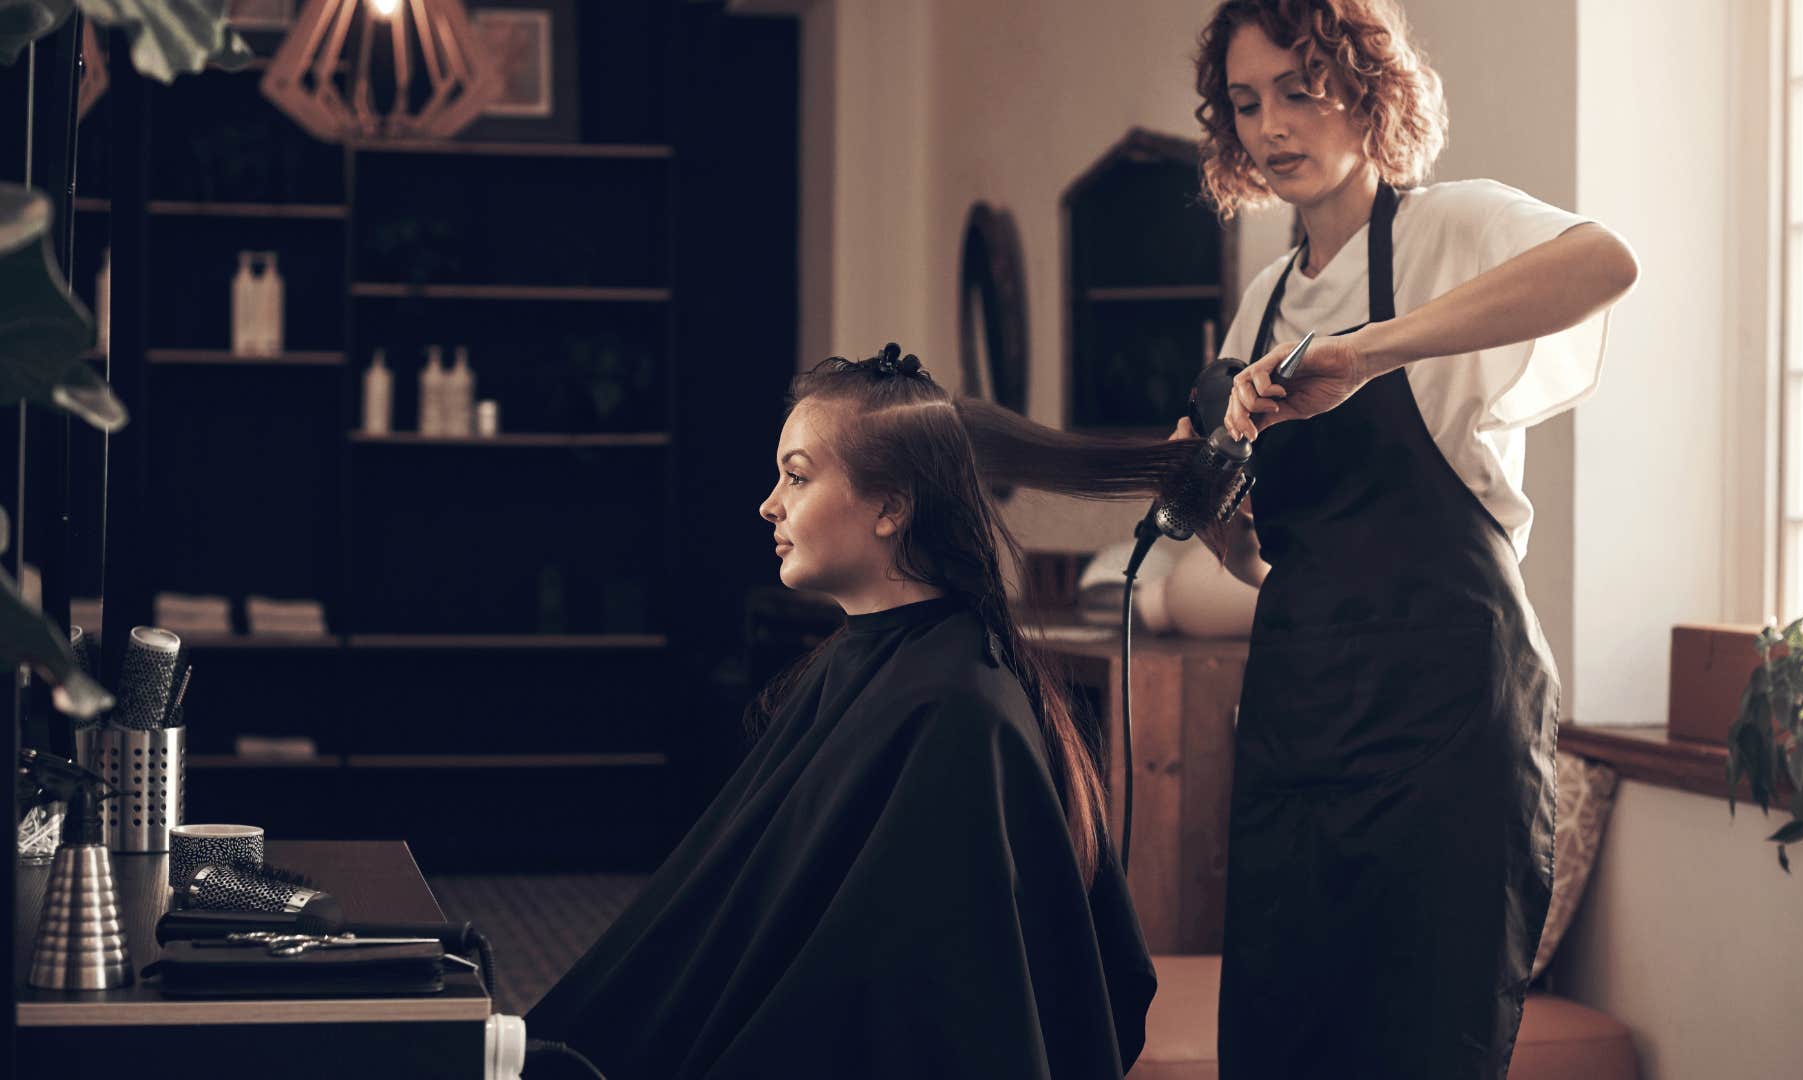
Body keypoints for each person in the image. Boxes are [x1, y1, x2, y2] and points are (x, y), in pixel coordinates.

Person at [1180, 2, 1641, 1077]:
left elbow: (1607, 262)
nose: (1271, 126)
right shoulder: (1258, 305)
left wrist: (1373, 350)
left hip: (1448, 720)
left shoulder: (1446, 227)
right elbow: (1254, 562)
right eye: (1246, 102)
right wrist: (1210, 504)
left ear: (1367, 84)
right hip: (1300, 724)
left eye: (1300, 88)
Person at [526, 344, 1187, 1079]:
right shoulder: (868, 661)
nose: (769, 503)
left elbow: (910, 1002)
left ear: (892, 507)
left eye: (797, 476)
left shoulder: (956, 709)